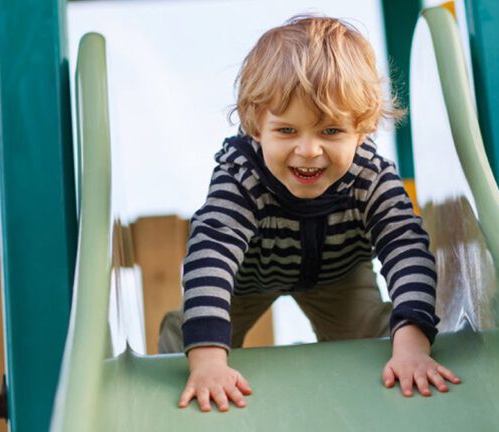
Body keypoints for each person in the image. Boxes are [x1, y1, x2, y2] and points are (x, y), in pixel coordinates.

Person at [166, 15, 461, 413]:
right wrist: (207, 362)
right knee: (194, 334)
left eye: (331, 131)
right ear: (255, 126)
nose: (308, 150)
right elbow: (213, 254)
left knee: (374, 335)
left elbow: (405, 248)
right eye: (287, 131)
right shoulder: (240, 177)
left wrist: (412, 345)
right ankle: (177, 370)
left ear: (363, 128)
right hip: (246, 279)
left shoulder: (371, 177)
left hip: (339, 274)